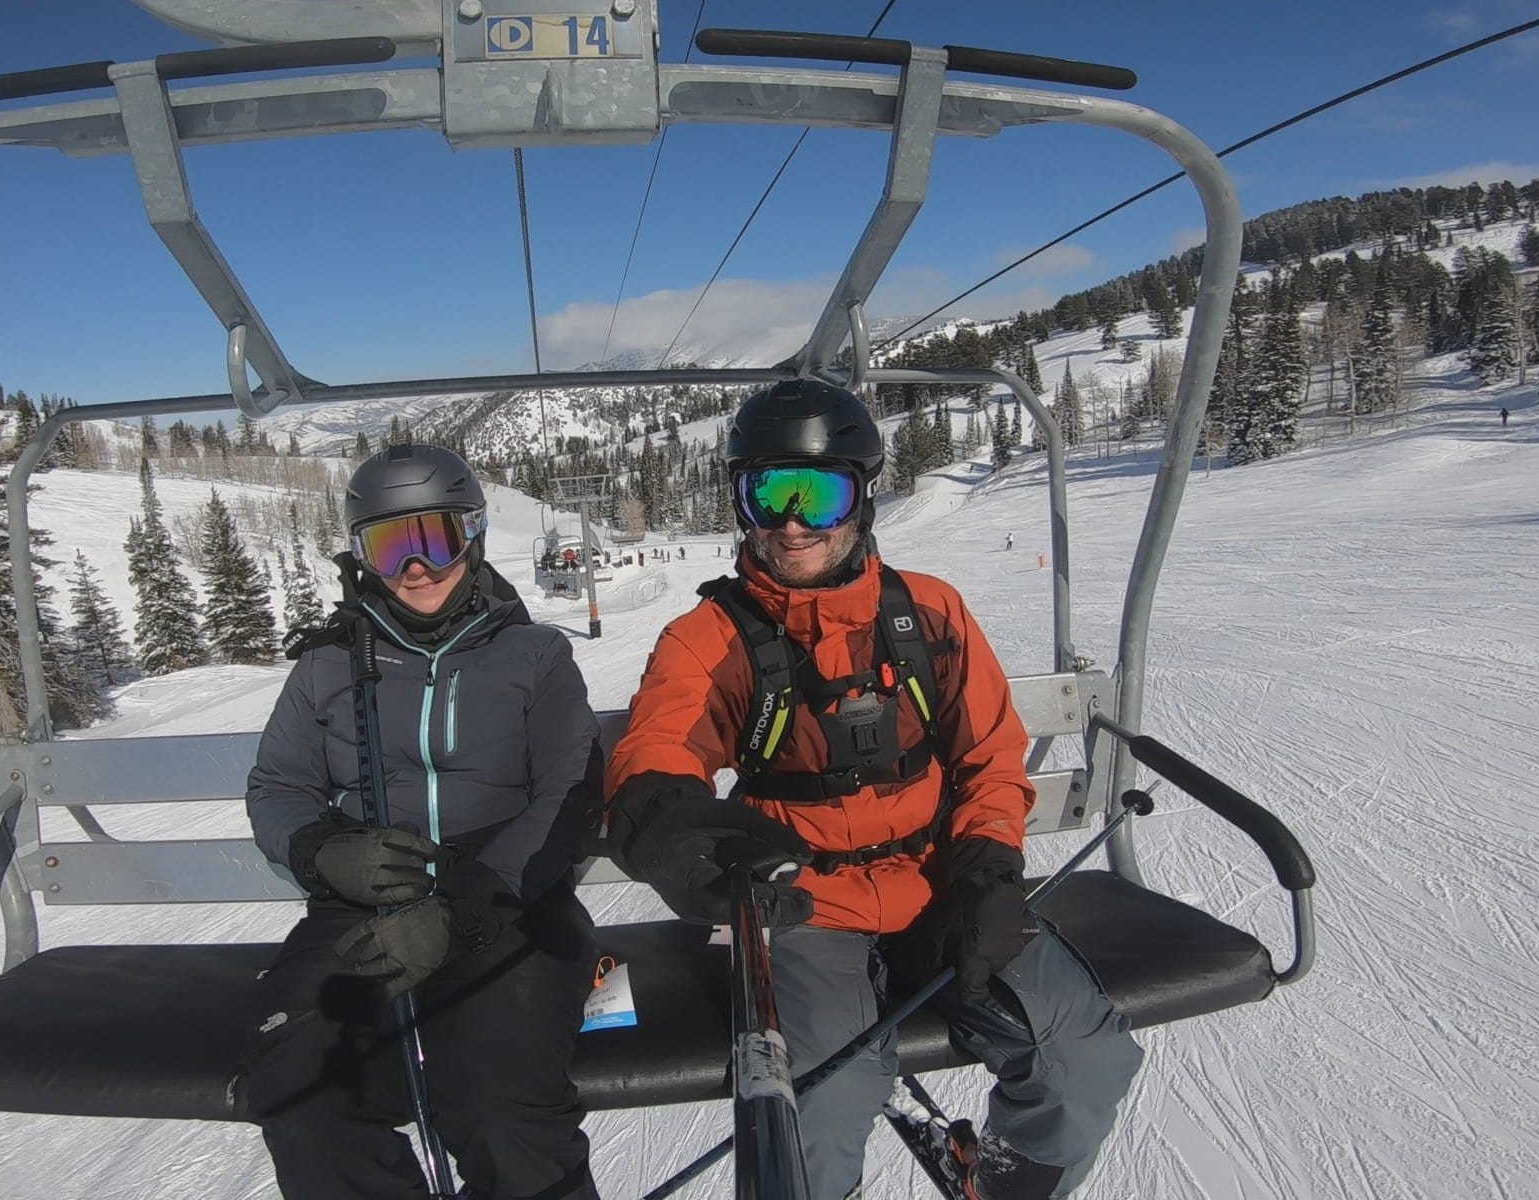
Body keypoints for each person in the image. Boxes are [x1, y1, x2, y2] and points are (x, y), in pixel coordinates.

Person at [605, 381, 1142, 1200]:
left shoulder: (927, 614)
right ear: (740, 502)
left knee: (1083, 1052)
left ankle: (1005, 1182)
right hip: (805, 904)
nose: (791, 522)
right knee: (815, 1106)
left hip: (939, 882)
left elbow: (990, 756)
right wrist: (674, 827)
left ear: (859, 497)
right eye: (767, 493)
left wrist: (988, 864)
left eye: (816, 494)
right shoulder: (711, 638)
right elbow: (660, 748)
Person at [244, 443, 605, 1200]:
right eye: (389, 543)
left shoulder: (534, 655)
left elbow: (570, 789)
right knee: (300, 1090)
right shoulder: (325, 667)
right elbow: (278, 786)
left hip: (509, 904)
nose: (416, 566)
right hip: (366, 899)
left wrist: (464, 904)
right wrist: (322, 853)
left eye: (434, 537)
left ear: (470, 534)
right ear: (360, 556)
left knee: (499, 1107)